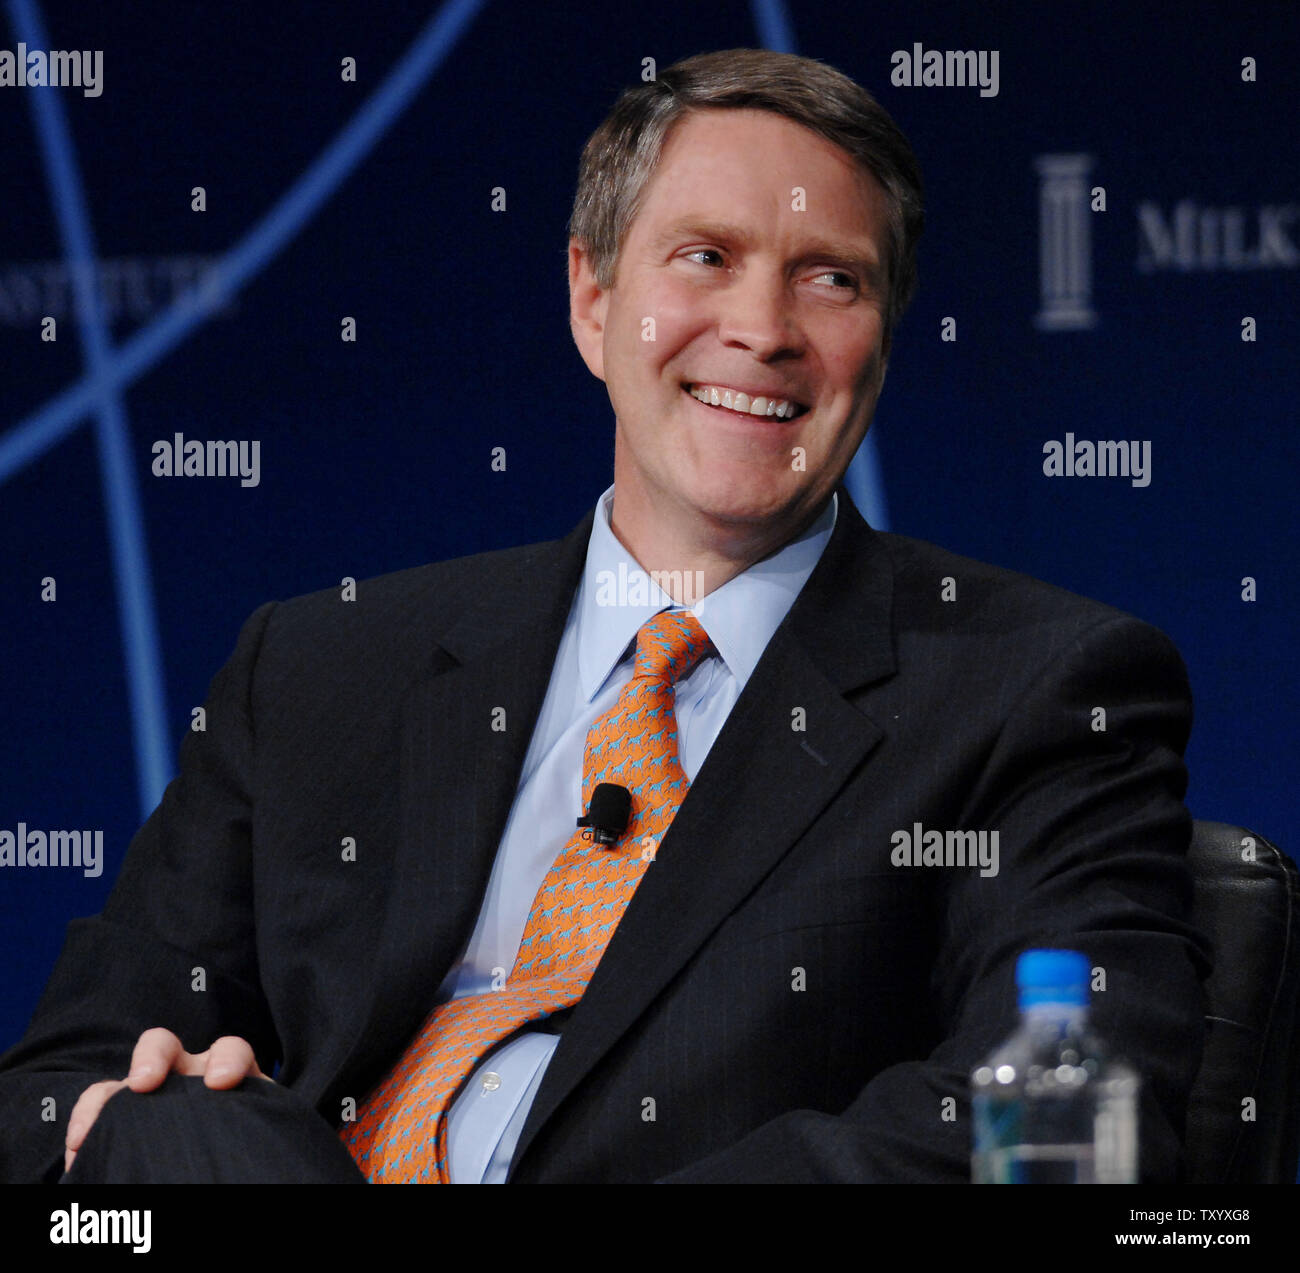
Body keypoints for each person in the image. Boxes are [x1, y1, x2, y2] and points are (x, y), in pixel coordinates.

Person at [0, 47, 1210, 1184]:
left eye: (830, 278)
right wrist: (143, 1123)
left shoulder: (1038, 688)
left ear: (880, 345)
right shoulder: (320, 666)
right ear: (591, 297)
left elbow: (1061, 1128)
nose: (763, 330)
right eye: (703, 258)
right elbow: (54, 1085)